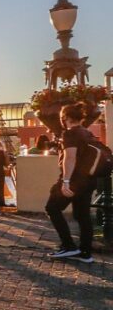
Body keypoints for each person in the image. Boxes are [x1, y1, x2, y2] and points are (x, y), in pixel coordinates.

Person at [46, 102, 102, 263]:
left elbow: (70, 158)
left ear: (67, 118)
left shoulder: (70, 134)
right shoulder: (87, 133)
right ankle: (85, 253)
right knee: (82, 216)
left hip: (74, 180)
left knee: (52, 207)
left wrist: (66, 181)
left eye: (62, 118)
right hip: (89, 180)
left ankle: (69, 246)